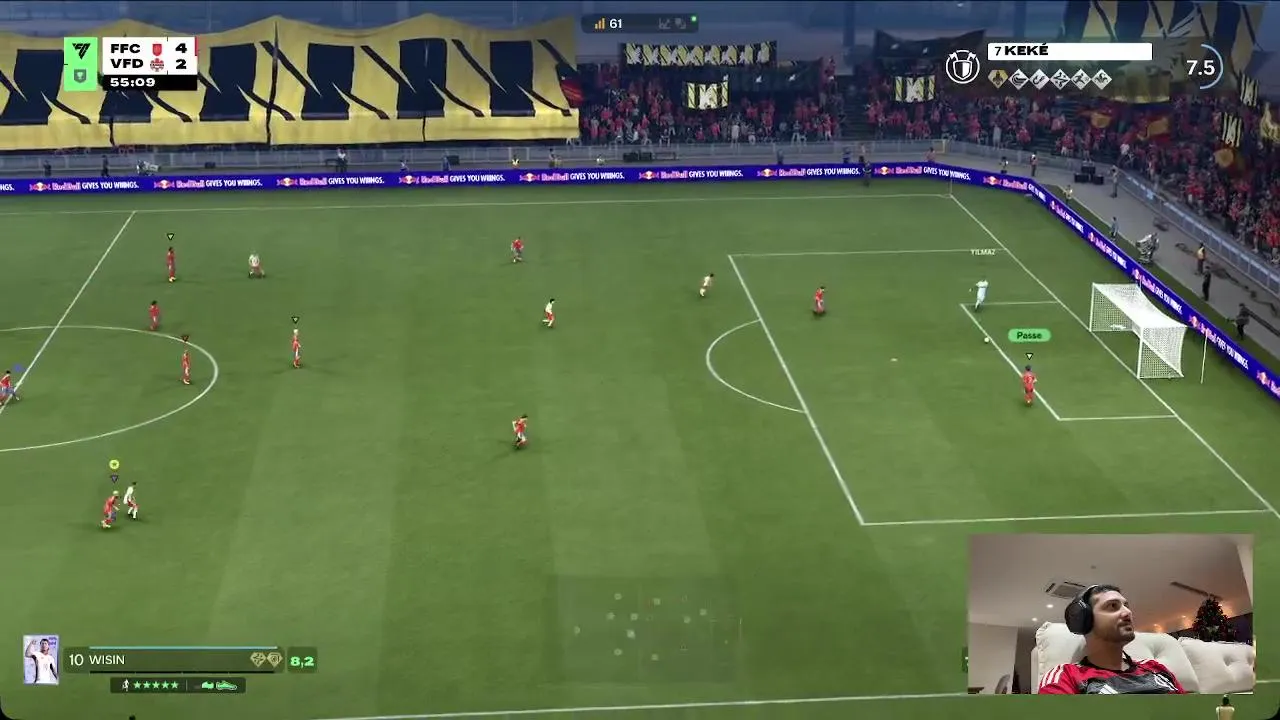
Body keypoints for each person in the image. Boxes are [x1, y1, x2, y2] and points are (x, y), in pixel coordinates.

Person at [1038, 585, 1185, 694]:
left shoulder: (1156, 668)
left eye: (1126, 606)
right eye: (1113, 606)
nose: (1128, 612)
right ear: (1084, 620)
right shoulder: (1065, 676)